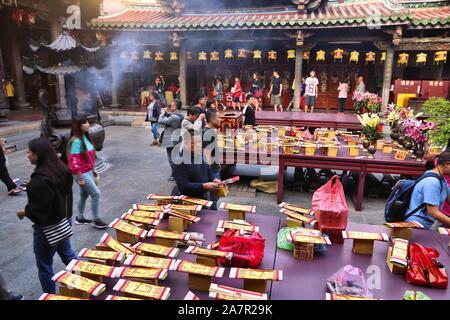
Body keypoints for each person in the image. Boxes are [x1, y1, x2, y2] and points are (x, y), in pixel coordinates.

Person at [17, 137, 77, 294]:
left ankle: (49, 296)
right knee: (68, 255)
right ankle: (84, 281)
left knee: (44, 265)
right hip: (63, 221)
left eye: (29, 152)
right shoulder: (62, 169)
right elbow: (64, 195)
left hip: (47, 229)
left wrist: (25, 212)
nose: (27, 154)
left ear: (38, 155)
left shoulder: (39, 180)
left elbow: (39, 212)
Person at [68, 116, 107, 229]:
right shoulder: (76, 141)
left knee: (84, 195)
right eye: (85, 123)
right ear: (79, 126)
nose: (88, 124)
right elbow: (74, 160)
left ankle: (80, 218)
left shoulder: (86, 137)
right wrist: (80, 177)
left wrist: (93, 171)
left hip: (88, 171)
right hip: (81, 173)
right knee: (96, 194)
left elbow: (89, 158)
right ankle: (96, 219)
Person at [405, 151, 450, 229]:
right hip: (416, 225)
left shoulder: (441, 179)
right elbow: (433, 212)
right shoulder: (432, 182)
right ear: (447, 164)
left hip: (425, 224)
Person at [173, 129, 222, 199]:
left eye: (199, 142)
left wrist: (214, 180)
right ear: (186, 143)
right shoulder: (179, 161)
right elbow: (183, 186)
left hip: (204, 197)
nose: (198, 145)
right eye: (194, 143)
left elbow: (208, 172)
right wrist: (203, 186)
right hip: (188, 200)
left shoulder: (200, 155)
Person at [158, 99, 184, 181]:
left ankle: (175, 175)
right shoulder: (180, 115)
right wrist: (165, 113)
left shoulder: (174, 117)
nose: (170, 106)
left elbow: (160, 121)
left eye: (172, 105)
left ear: (175, 107)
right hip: (176, 139)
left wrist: (162, 114)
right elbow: (171, 116)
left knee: (171, 159)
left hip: (171, 140)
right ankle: (178, 173)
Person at [202, 108, 221, 210]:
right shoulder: (209, 133)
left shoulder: (206, 131)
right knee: (213, 198)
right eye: (218, 117)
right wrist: (211, 176)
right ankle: (213, 217)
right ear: (212, 119)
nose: (220, 119)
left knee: (213, 197)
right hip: (212, 170)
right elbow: (207, 154)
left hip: (212, 168)